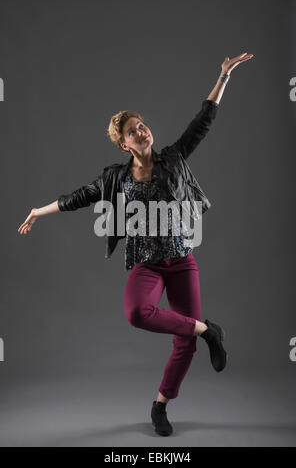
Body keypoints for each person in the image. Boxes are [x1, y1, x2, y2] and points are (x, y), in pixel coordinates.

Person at [18, 52, 254, 437]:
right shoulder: (116, 178)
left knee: (185, 344)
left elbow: (203, 121)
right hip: (147, 262)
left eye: (142, 125)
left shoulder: (174, 158)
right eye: (133, 131)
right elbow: (78, 197)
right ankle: (207, 329)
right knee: (137, 312)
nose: (142, 131)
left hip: (182, 259)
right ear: (124, 144)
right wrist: (37, 211)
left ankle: (160, 405)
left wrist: (224, 76)